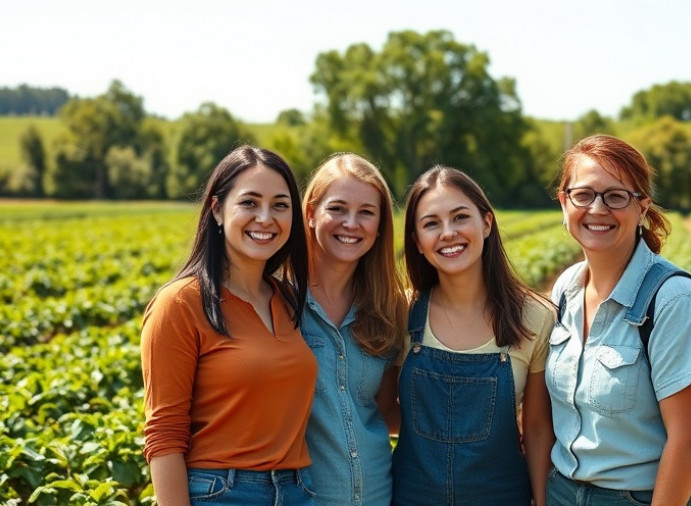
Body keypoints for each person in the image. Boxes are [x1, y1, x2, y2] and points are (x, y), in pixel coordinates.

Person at [545, 134, 691, 506]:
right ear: (564, 203)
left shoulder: (674, 300)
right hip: (564, 492)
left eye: (616, 196)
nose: (597, 209)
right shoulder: (566, 289)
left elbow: (689, 436)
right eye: (583, 195)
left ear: (642, 207)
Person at [140, 146, 316, 505]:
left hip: (299, 490)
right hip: (222, 493)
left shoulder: (288, 300)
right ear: (218, 210)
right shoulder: (180, 304)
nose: (265, 217)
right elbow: (164, 435)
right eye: (249, 202)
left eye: (281, 205)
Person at [392, 166, 555, 506]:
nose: (448, 233)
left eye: (460, 217)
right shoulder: (400, 313)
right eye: (431, 223)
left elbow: (538, 428)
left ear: (486, 223)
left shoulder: (534, 318)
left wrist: (540, 501)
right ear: (418, 243)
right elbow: (378, 410)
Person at [301, 153, 407, 506]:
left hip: (378, 494)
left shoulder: (388, 308)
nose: (351, 223)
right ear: (310, 213)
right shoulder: (277, 303)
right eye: (337, 209)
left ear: (379, 227)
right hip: (301, 496)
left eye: (366, 212)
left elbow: (383, 411)